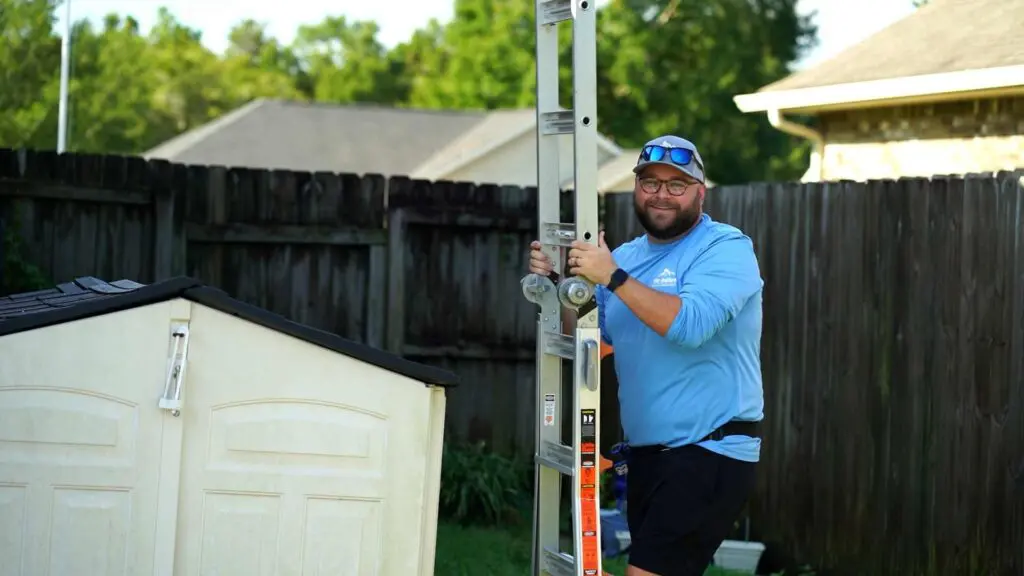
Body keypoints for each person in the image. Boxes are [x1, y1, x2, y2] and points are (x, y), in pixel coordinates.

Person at [527, 135, 765, 576]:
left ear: (700, 191)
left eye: (677, 184)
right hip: (649, 458)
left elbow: (689, 326)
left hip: (709, 451)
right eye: (650, 182)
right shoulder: (627, 257)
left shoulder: (727, 248)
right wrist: (560, 282)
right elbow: (590, 337)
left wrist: (610, 276)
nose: (662, 194)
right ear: (636, 189)